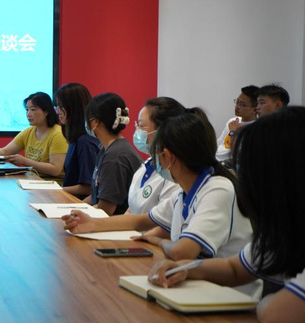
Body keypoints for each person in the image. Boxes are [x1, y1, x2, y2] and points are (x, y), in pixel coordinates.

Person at [149, 107, 305, 323]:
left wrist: (265, 303)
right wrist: (185, 269)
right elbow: (234, 269)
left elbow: (274, 316)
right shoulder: (285, 230)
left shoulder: (218, 188)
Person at [63, 112, 253, 264]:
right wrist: (92, 223)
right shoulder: (184, 193)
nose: (154, 162)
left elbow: (183, 251)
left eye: (156, 154)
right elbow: (142, 221)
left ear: (168, 156)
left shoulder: (218, 190)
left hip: (222, 294)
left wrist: (158, 241)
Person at [0, 92, 69, 178]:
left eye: (33, 110)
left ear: (46, 112)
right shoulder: (28, 132)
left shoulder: (58, 134)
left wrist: (25, 161)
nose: (28, 114)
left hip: (51, 184)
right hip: (31, 180)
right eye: (27, 110)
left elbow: (55, 169)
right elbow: (5, 151)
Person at [81, 92, 142, 215]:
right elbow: (96, 197)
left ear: (94, 122)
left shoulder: (114, 156)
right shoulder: (108, 148)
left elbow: (106, 209)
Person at [128, 97, 186, 214]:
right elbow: (131, 210)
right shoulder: (147, 164)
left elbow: (159, 221)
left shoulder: (172, 175)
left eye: (142, 126)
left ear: (162, 131)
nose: (137, 131)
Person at [54, 83, 98, 197]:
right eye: (57, 106)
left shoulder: (85, 142)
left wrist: (56, 190)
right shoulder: (75, 139)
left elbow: (88, 188)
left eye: (61, 106)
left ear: (74, 108)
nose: (57, 111)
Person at [215, 85, 258, 162]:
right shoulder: (233, 121)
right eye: (237, 102)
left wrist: (233, 132)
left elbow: (234, 153)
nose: (237, 106)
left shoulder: (255, 129)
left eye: (242, 104)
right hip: (215, 160)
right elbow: (219, 143)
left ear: (254, 110)